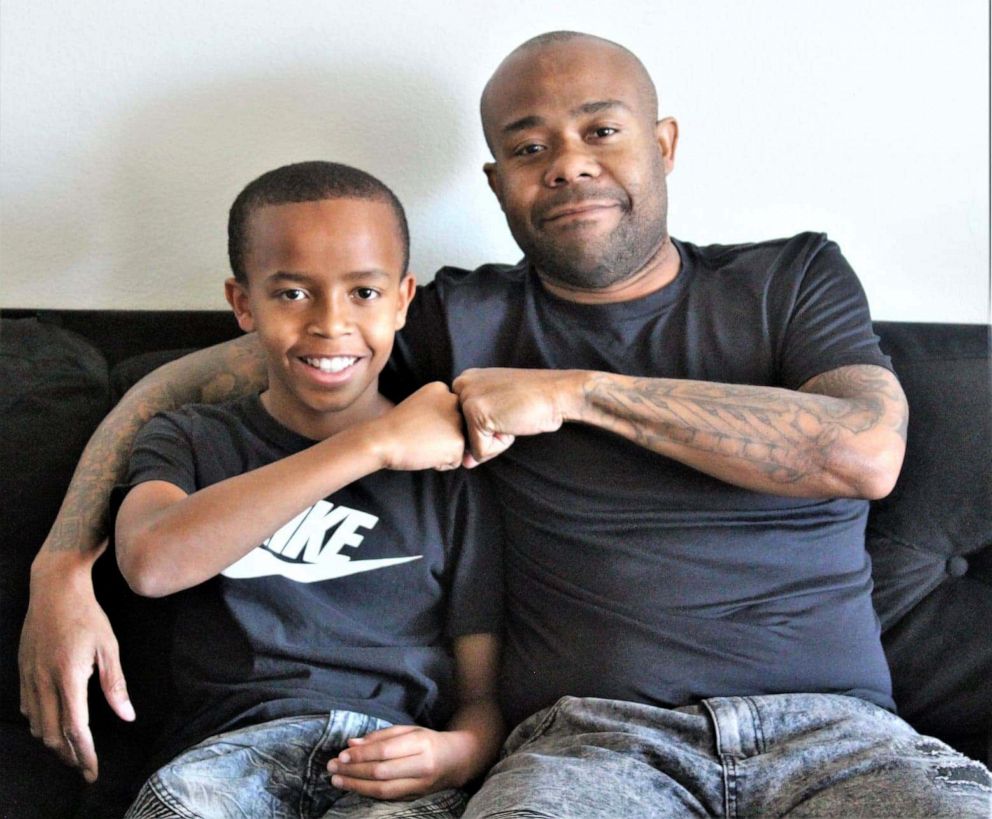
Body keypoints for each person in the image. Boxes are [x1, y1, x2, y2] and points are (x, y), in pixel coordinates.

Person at [20, 30, 992, 817]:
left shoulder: (786, 279)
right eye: (528, 147)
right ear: (496, 184)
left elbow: (862, 451)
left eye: (599, 131)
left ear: (661, 144)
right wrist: (61, 565)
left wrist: (574, 392)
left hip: (840, 737)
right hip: (591, 748)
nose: (566, 165)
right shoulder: (456, 318)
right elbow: (176, 389)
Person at [110, 160, 503, 817]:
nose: (330, 322)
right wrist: (369, 446)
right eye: (292, 293)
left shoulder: (454, 479)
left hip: (388, 762)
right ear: (243, 303)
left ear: (404, 298)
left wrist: (459, 752)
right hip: (224, 759)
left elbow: (482, 695)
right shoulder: (190, 439)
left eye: (364, 293)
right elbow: (151, 563)